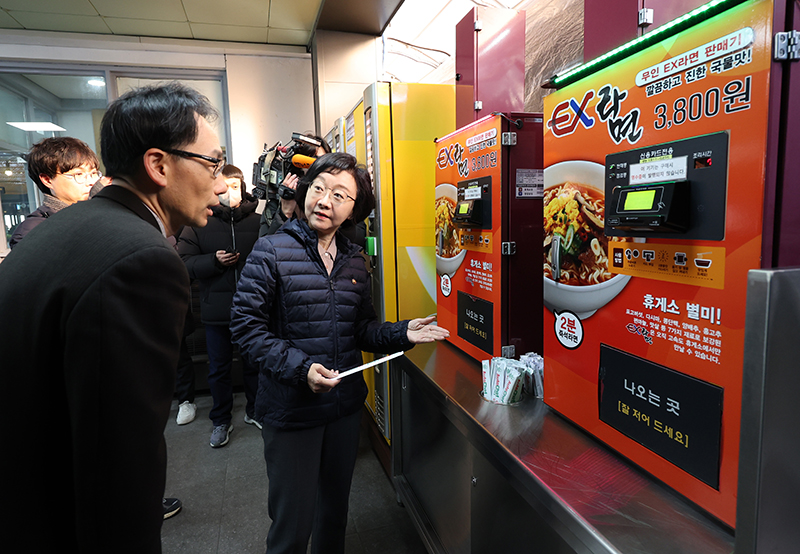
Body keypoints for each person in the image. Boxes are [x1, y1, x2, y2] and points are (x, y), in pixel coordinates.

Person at [0, 82, 227, 552]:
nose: (222, 184)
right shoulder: (141, 259)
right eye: (213, 163)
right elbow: (119, 458)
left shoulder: (71, 227)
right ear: (158, 164)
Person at [230, 152, 449, 554]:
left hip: (344, 411)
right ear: (305, 192)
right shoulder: (271, 250)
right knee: (291, 524)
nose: (325, 200)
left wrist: (403, 331)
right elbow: (245, 328)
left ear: (354, 209)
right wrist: (302, 369)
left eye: (340, 194)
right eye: (318, 188)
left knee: (333, 515)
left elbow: (360, 329)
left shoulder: (354, 260)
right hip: (292, 412)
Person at [178, 164, 261, 447]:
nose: (229, 192)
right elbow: (184, 263)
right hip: (216, 312)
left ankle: (254, 411)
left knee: (255, 364)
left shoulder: (260, 222)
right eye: (223, 187)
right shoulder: (199, 222)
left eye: (235, 186)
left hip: (253, 310)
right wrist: (212, 261)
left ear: (243, 189)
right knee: (219, 369)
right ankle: (221, 420)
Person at [9, 136, 101, 248]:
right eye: (78, 174)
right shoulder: (31, 232)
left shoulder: (97, 215)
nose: (91, 182)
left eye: (93, 173)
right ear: (47, 180)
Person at [259, 133, 331, 237]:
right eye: (310, 160)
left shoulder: (332, 200)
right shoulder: (275, 206)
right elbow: (265, 249)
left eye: (323, 161)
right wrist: (285, 213)